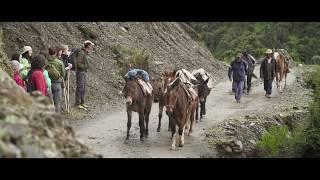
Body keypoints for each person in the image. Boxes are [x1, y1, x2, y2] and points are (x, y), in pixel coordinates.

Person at [74, 40, 94, 110]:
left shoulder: (85, 53)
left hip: (83, 72)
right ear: (88, 46)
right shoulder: (81, 53)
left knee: (83, 88)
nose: (92, 47)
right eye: (91, 45)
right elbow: (78, 64)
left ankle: (82, 102)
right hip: (80, 72)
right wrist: (85, 66)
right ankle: (77, 103)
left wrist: (85, 67)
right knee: (80, 87)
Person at [47, 47, 66, 113]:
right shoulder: (59, 62)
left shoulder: (45, 61)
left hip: (47, 84)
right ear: (56, 53)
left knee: (48, 103)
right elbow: (63, 74)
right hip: (57, 83)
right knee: (57, 102)